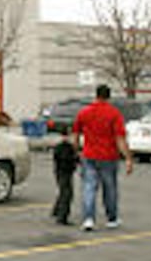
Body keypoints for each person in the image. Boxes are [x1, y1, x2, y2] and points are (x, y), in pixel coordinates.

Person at [72, 84, 134, 232]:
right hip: (108, 156)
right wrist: (128, 158)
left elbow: (75, 134)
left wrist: (77, 150)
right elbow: (120, 138)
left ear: (96, 95)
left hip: (89, 155)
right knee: (110, 187)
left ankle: (88, 219)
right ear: (108, 97)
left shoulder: (84, 113)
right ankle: (111, 219)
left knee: (89, 187)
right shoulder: (114, 114)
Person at [51, 124, 79, 225]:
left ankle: (56, 211)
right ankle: (62, 217)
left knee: (63, 191)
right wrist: (76, 160)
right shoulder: (65, 147)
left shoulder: (61, 147)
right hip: (64, 171)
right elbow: (67, 159)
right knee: (67, 193)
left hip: (61, 171)